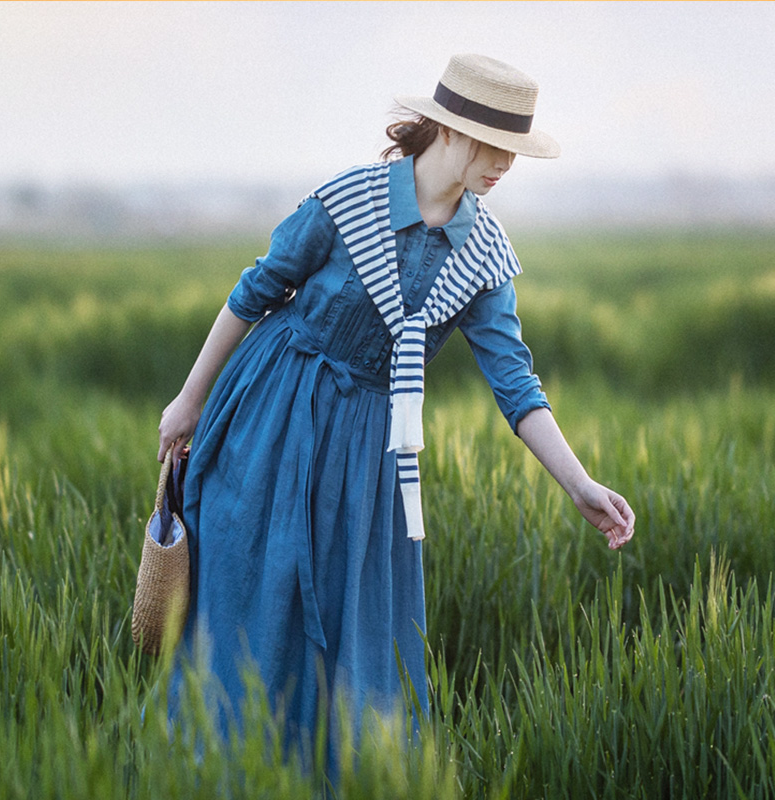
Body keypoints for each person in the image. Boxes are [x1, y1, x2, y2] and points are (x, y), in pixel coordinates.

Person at [158, 53, 635, 763]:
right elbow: (254, 292)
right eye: (494, 144)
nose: (505, 164)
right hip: (270, 415)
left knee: (356, 621)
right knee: (247, 590)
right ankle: (211, 766)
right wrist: (189, 398)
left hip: (367, 454)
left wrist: (580, 484)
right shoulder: (348, 204)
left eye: (515, 150)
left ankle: (326, 772)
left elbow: (516, 384)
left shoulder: (485, 257)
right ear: (448, 131)